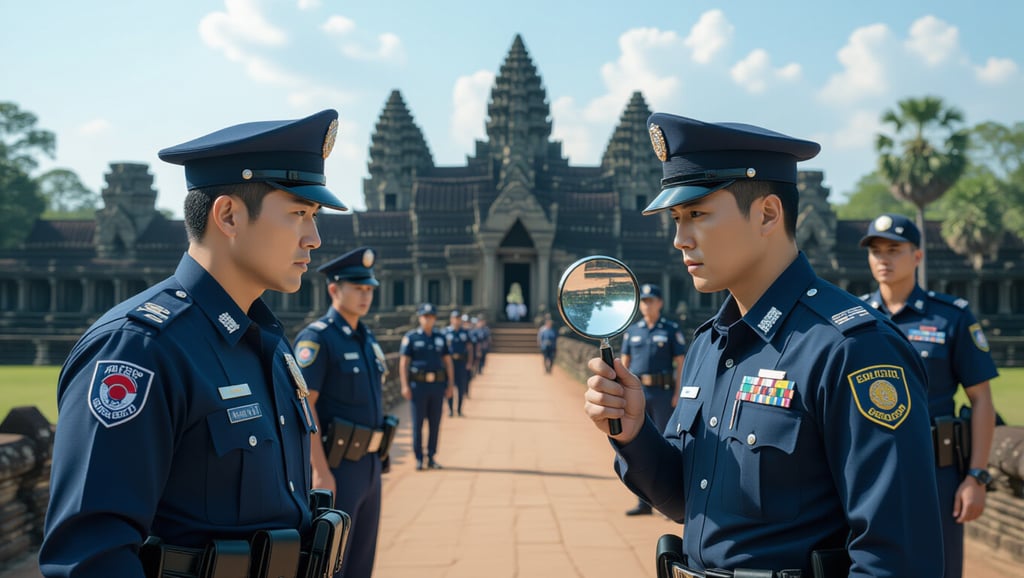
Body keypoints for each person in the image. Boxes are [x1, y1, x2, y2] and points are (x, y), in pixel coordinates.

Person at [582, 113, 943, 576]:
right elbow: (686, 501)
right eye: (676, 218)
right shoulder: (709, 346)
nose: (679, 239)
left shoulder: (850, 349)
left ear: (768, 214)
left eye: (696, 214)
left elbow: (897, 559)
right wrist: (633, 432)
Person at [40, 110, 349, 577]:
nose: (314, 238)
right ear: (228, 216)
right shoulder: (140, 349)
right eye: (299, 214)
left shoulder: (268, 344)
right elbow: (90, 556)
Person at [860, 213, 998, 578]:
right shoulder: (854, 318)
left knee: (940, 567)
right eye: (876, 251)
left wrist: (977, 477)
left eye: (894, 249)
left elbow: (981, 399)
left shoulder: (950, 317)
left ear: (917, 257)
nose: (883, 259)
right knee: (866, 563)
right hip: (867, 468)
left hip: (937, 470)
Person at [293, 246, 394, 578]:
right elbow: (304, 405)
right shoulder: (319, 339)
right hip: (337, 467)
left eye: (369, 289)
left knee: (362, 560)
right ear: (334, 289)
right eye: (358, 288)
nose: (366, 296)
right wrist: (319, 471)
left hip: (370, 464)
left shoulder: (366, 339)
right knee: (332, 563)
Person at [618, 283, 687, 516]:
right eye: (643, 301)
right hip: (638, 394)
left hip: (663, 393)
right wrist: (621, 392)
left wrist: (679, 392)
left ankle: (669, 502)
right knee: (637, 446)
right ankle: (642, 502)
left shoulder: (670, 329)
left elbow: (681, 363)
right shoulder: (632, 331)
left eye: (651, 300)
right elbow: (624, 363)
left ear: (660, 303)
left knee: (666, 445)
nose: (646, 305)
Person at [399, 303, 455, 470]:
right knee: (417, 423)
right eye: (425, 316)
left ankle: (431, 456)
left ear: (435, 319)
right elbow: (404, 363)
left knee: (435, 422)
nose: (428, 319)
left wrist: (451, 384)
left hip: (437, 385)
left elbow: (448, 362)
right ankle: (418, 457)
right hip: (418, 385)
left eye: (431, 316)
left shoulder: (441, 337)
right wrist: (404, 385)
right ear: (419, 318)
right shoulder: (411, 337)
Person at [443, 310, 475, 417]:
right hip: (449, 362)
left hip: (461, 362)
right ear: (451, 319)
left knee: (461, 387)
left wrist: (470, 362)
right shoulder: (445, 332)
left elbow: (470, 348)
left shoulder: (465, 333)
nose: (456, 320)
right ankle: (451, 409)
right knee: (449, 385)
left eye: (458, 318)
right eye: (455, 318)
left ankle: (460, 409)